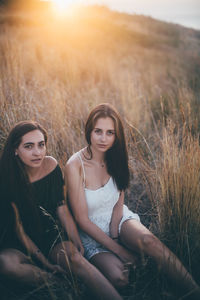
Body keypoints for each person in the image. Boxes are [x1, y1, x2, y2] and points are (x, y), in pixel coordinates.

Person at [65, 103, 200, 299]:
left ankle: (193, 290)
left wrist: (116, 237)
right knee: (120, 278)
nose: (103, 138)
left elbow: (119, 203)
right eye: (98, 131)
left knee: (149, 241)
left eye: (110, 133)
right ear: (89, 131)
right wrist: (118, 249)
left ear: (116, 135)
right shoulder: (75, 165)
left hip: (118, 221)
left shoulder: (117, 157)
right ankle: (151, 272)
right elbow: (82, 219)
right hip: (90, 233)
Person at [0, 120, 122, 300]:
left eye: (41, 145)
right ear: (15, 150)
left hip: (50, 235)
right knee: (5, 264)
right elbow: (19, 230)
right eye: (29, 146)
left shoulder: (50, 166)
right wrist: (46, 264)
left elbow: (61, 207)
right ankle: (61, 286)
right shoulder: (6, 178)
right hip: (19, 242)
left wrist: (75, 238)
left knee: (75, 258)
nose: (37, 152)